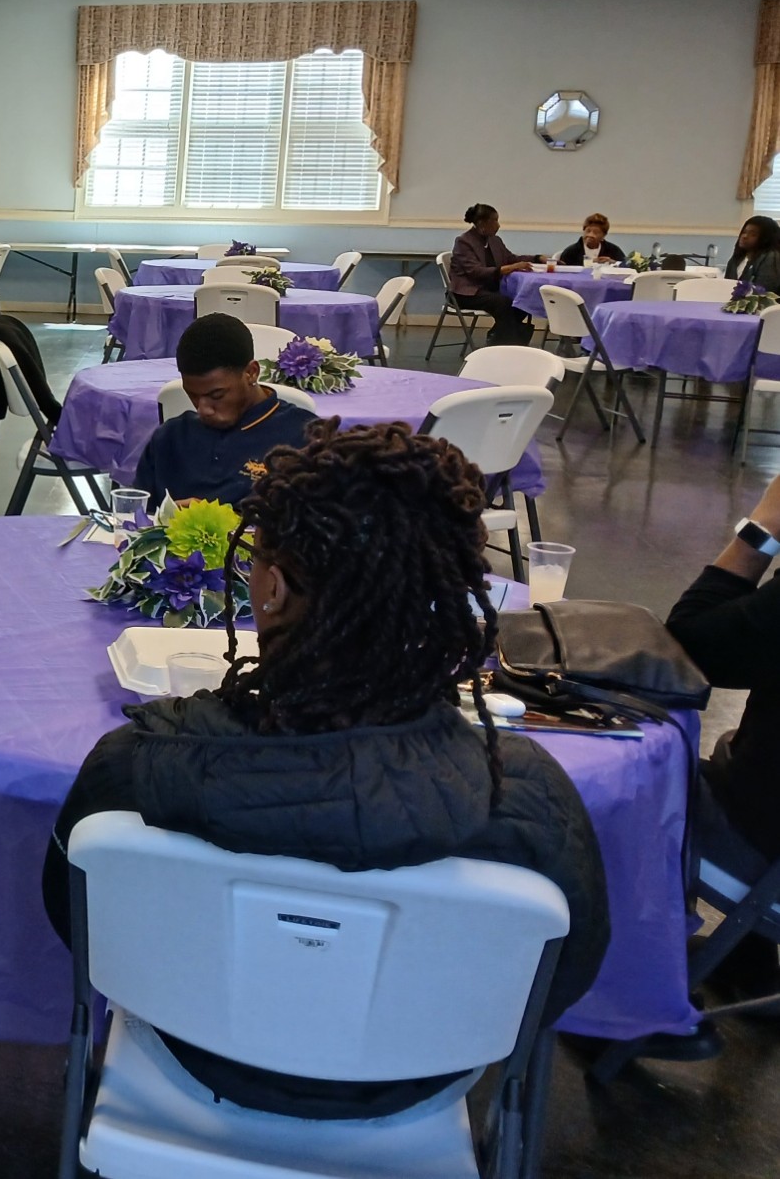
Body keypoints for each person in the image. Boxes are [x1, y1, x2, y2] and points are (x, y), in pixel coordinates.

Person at [42, 420, 609, 1120]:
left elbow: (80, 921)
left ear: (271, 588)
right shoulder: (525, 798)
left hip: (191, 1049)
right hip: (422, 1076)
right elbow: (560, 976)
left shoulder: (136, 771)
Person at [664, 468, 780, 1008]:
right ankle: (748, 967)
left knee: (625, 781)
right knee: (734, 748)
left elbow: (689, 645)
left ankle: (628, 1000)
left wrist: (765, 524)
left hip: (764, 852)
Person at [133, 313, 312, 509]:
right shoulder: (169, 438)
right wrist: (165, 518)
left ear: (251, 373)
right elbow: (138, 520)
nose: (203, 409)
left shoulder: (303, 440)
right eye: (192, 395)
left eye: (216, 395)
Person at [449, 203, 540, 346]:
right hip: (466, 293)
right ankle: (510, 343)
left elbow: (511, 258)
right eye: (494, 221)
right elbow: (475, 271)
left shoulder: (494, 240)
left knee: (522, 301)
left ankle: (498, 337)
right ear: (482, 223)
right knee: (503, 303)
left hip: (488, 290)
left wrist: (537, 258)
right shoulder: (463, 242)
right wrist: (508, 268)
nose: (498, 225)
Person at [724, 215, 780, 292]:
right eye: (744, 232)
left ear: (765, 238)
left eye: (753, 234)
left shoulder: (771, 257)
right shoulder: (737, 258)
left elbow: (765, 291)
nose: (745, 236)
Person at [557, 213, 625, 266]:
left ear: (603, 236)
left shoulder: (613, 250)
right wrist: (590, 264)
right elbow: (563, 271)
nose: (590, 235)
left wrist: (614, 263)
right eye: (588, 231)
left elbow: (627, 266)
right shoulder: (571, 252)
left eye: (596, 232)